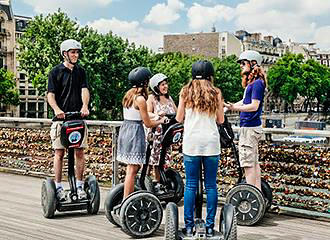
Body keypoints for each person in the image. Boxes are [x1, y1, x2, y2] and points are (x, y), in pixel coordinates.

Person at [176, 60, 224, 237]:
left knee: (190, 185)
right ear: (210, 75)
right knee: (211, 186)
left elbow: (179, 118)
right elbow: (221, 120)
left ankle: (189, 226)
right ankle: (210, 226)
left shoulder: (185, 92)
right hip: (211, 143)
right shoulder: (216, 93)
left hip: (191, 143)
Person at [47, 39, 90, 201]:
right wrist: (57, 110)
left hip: (78, 119)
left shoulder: (81, 71)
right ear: (65, 53)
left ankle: (79, 185)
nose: (76, 55)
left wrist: (85, 106)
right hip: (60, 120)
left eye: (77, 52)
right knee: (59, 153)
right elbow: (50, 95)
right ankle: (58, 187)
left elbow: (84, 90)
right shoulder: (55, 72)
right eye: (73, 52)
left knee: (79, 151)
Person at [117, 67, 168, 199]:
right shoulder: (140, 99)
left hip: (125, 130)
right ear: (145, 83)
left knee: (132, 168)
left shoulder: (129, 95)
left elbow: (139, 114)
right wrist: (161, 121)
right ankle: (126, 200)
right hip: (135, 132)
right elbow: (147, 123)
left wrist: (155, 115)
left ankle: (127, 196)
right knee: (133, 170)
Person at [226, 50, 267, 192]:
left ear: (253, 63)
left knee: (248, 165)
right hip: (251, 128)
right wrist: (230, 107)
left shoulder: (256, 84)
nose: (241, 66)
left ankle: (252, 196)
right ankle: (258, 194)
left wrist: (235, 109)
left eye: (243, 63)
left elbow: (254, 105)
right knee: (254, 164)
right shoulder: (255, 83)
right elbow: (245, 101)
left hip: (249, 129)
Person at [146, 73, 177, 187]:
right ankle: (150, 181)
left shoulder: (169, 98)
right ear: (155, 87)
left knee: (163, 159)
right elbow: (147, 113)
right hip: (155, 133)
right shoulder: (151, 98)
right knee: (153, 159)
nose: (166, 86)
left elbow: (177, 113)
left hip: (167, 134)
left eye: (166, 84)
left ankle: (161, 182)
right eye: (162, 84)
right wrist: (157, 114)